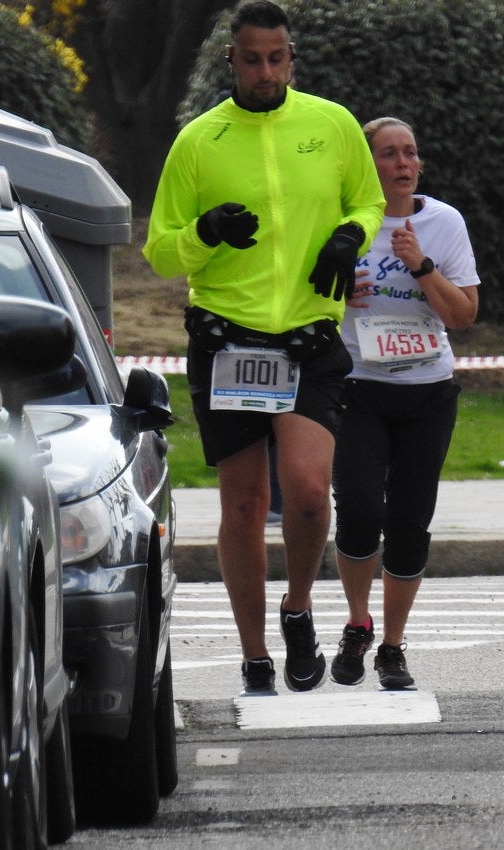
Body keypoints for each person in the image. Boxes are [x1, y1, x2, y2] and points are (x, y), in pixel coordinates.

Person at [142, 0, 385, 695]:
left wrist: (349, 238)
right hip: (229, 338)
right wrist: (206, 233)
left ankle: (299, 606)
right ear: (232, 60)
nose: (265, 71)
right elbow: (160, 251)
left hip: (308, 335)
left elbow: (365, 202)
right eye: (252, 59)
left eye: (277, 58)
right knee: (244, 507)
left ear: (290, 57)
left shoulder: (330, 124)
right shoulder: (199, 142)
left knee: (308, 496)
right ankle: (253, 655)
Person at [331, 117, 480, 689]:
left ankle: (392, 646)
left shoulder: (443, 223)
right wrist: (339, 289)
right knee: (362, 512)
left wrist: (421, 265)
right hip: (359, 389)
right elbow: (304, 295)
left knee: (410, 522)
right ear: (367, 166)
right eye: (389, 154)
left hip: (428, 393)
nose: (402, 163)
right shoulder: (344, 222)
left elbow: (463, 316)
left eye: (410, 153)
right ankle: (357, 622)